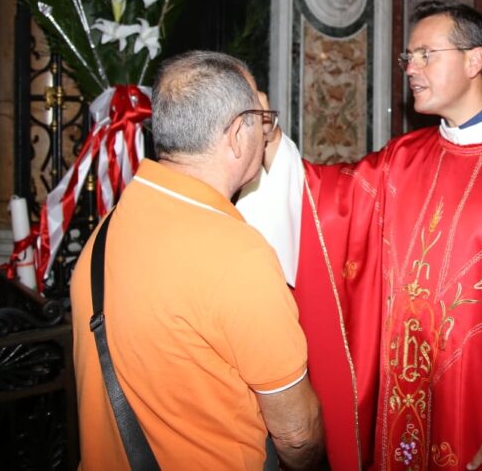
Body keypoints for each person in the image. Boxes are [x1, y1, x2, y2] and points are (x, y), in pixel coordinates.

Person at [238, 1, 482, 469]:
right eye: (407, 58)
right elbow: (330, 203)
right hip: (404, 389)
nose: (410, 70)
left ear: (475, 60)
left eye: (425, 55)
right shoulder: (405, 155)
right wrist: (272, 139)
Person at [70, 51, 324, 470]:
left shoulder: (109, 228)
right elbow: (297, 433)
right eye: (261, 121)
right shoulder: (238, 257)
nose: (266, 134)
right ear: (238, 134)